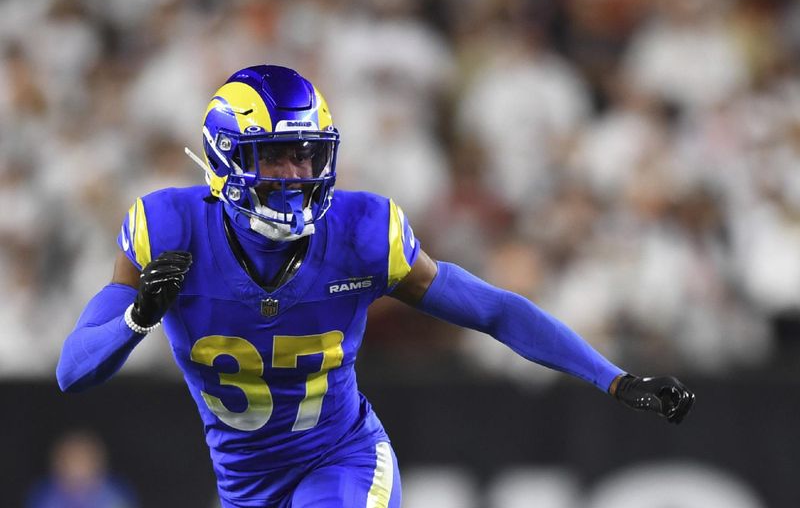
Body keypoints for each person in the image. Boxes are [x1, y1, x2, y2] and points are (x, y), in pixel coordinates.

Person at [57, 65, 694, 508]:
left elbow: (492, 311)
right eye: (276, 155)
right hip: (245, 486)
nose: (295, 173)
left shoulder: (363, 233)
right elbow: (72, 370)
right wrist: (137, 319)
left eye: (306, 154)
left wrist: (615, 378)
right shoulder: (167, 229)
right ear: (226, 158)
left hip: (341, 460)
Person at [26, 430, 137, 508]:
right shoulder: (46, 496)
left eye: (83, 463)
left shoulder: (114, 495)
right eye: (69, 464)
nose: (77, 473)